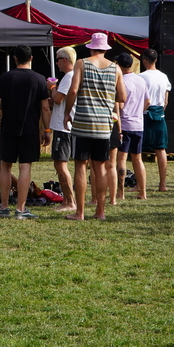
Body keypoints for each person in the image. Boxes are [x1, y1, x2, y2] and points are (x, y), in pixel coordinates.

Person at [65, 33, 126, 221]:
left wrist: (67, 112)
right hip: (104, 125)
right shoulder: (115, 68)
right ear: (106, 49)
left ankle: (80, 212)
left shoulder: (82, 63)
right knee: (100, 168)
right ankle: (100, 211)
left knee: (80, 166)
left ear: (91, 48)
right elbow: (122, 96)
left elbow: (73, 90)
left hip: (83, 122)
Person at [0, 44, 52, 219]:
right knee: (25, 167)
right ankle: (21, 209)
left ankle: (4, 207)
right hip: (30, 128)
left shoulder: (5, 77)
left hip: (8, 127)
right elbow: (45, 107)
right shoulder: (39, 79)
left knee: (5, 166)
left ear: (15, 59)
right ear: (31, 58)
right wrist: (47, 130)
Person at [110, 51, 148, 201]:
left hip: (125, 124)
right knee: (138, 159)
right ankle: (143, 192)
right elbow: (148, 101)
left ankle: (121, 193)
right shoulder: (141, 80)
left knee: (121, 159)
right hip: (138, 124)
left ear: (119, 66)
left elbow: (119, 106)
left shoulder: (121, 82)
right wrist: (138, 112)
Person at [49, 46, 78, 212]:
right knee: (60, 164)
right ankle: (69, 200)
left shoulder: (68, 77)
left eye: (58, 60)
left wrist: (52, 87)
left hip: (63, 127)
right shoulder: (74, 76)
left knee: (61, 165)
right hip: (67, 126)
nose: (57, 63)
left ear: (65, 60)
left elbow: (58, 99)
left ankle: (69, 201)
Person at [138, 48, 171, 192]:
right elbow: (166, 101)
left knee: (137, 151)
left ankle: (139, 185)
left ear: (145, 61)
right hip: (159, 114)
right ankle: (162, 184)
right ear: (156, 60)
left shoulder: (141, 77)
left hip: (145, 113)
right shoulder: (164, 77)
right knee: (161, 149)